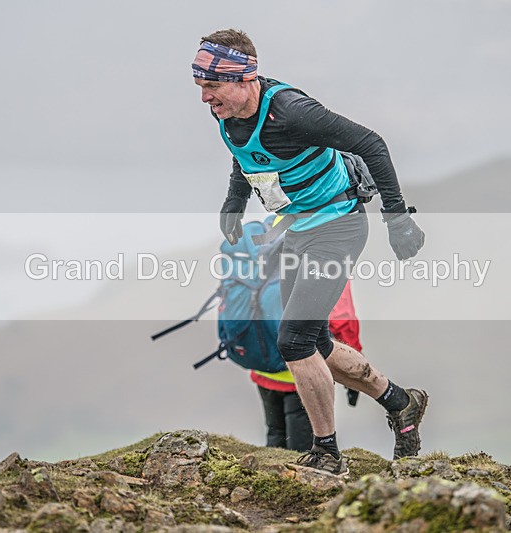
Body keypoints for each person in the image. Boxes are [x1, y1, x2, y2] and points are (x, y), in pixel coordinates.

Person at [192, 29, 427, 475]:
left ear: (245, 77)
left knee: (293, 341)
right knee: (315, 341)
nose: (205, 97)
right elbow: (244, 155)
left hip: (339, 227)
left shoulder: (293, 113)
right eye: (201, 86)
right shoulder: (228, 113)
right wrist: (234, 200)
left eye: (213, 85)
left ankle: (327, 453)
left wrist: (397, 219)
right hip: (298, 230)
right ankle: (401, 402)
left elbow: (371, 144)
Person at [253, 280, 363, 453]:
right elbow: (342, 319)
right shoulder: (327, 266)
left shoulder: (267, 263)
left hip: (265, 366)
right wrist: (354, 368)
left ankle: (272, 469)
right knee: (303, 446)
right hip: (304, 375)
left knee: (275, 435)